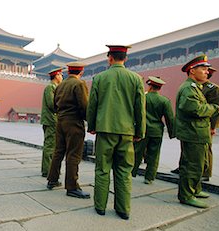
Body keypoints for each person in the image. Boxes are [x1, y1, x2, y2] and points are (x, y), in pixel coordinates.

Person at [86, 45, 146, 220]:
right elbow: (140, 108)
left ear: (110, 58)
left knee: (102, 169)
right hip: (127, 132)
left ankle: (100, 206)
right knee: (124, 170)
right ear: (125, 58)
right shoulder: (136, 79)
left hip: (104, 130)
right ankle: (123, 209)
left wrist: (91, 125)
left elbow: (93, 105)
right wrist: (139, 131)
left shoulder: (100, 78)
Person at [174, 55, 219, 208]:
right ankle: (187, 195)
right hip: (193, 132)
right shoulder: (190, 88)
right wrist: (213, 108)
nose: (207, 72)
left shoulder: (195, 87)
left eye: (207, 69)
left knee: (197, 164)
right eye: (203, 69)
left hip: (196, 132)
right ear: (192, 70)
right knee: (193, 165)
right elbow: (193, 108)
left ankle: (194, 189)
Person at [46, 62, 90, 199]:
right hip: (74, 123)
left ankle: (52, 179)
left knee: (58, 151)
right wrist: (89, 121)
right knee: (73, 154)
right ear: (81, 72)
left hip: (60, 122)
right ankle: (72, 187)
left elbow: (54, 105)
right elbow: (84, 106)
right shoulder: (79, 84)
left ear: (68, 71)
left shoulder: (60, 86)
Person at [131, 76, 174, 184]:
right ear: (159, 88)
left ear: (149, 85)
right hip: (156, 131)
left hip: (142, 130)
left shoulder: (142, 98)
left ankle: (131, 173)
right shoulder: (164, 101)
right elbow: (170, 118)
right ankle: (149, 177)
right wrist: (172, 133)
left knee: (137, 152)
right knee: (154, 155)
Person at [201, 66, 219, 181]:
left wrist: (213, 127)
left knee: (206, 148)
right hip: (198, 124)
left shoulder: (213, 89)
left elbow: (218, 109)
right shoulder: (198, 87)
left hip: (208, 123)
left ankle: (206, 172)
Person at [40, 67, 64, 177]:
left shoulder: (55, 87)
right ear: (56, 76)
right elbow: (51, 104)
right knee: (50, 146)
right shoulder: (50, 87)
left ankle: (48, 169)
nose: (62, 77)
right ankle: (47, 170)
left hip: (52, 120)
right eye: (61, 75)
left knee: (51, 145)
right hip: (51, 120)